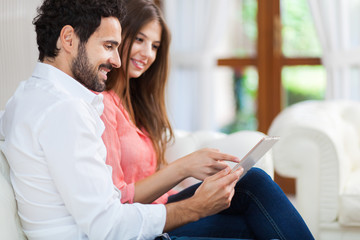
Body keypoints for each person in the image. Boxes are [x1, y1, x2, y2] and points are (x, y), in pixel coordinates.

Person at [0, 0, 246, 239]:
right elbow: (107, 226)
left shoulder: (25, 97)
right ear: (68, 39)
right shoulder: (66, 110)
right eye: (108, 46)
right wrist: (195, 208)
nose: (117, 61)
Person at [101, 0, 315, 239]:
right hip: (144, 220)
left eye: (155, 46)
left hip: (163, 206)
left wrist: (193, 187)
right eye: (140, 40)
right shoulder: (102, 105)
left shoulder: (137, 106)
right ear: (118, 36)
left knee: (253, 203)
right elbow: (116, 198)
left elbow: (148, 175)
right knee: (254, 193)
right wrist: (183, 167)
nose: (147, 53)